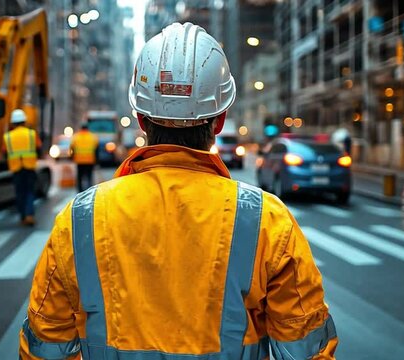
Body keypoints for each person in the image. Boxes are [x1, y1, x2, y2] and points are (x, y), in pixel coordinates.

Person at [19, 23, 337, 359]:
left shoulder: (80, 219)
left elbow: (46, 346)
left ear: (141, 119)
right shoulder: (266, 220)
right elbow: (305, 349)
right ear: (219, 120)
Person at [3, 109, 41, 226]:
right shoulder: (31, 134)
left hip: (16, 169)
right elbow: (38, 148)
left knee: (20, 193)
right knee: (30, 191)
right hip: (29, 167)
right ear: (24, 121)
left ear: (13, 123)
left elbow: (4, 153)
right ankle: (29, 215)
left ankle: (22, 216)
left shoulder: (7, 136)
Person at [70, 124, 99, 192]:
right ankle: (89, 191)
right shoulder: (93, 137)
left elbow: (72, 148)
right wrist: (97, 160)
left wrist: (72, 157)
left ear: (81, 128)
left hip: (79, 161)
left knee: (80, 177)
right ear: (87, 128)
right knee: (89, 176)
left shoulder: (76, 137)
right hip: (90, 160)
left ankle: (80, 191)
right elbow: (96, 150)